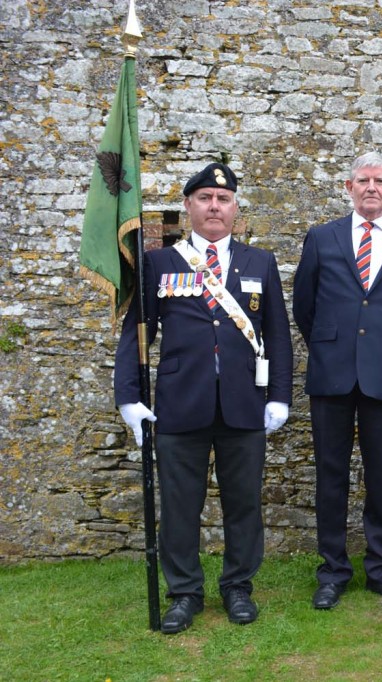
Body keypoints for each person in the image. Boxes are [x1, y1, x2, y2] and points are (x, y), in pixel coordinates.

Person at [115, 162, 293, 633]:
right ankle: (185, 593)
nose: (215, 206)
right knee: (178, 506)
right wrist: (129, 398)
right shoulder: (159, 263)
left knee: (244, 504)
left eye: (224, 199)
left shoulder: (261, 263)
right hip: (178, 404)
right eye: (205, 198)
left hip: (244, 405)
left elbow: (277, 335)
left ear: (235, 208)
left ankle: (238, 587)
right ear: (190, 206)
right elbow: (136, 334)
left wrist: (279, 397)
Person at [293, 151, 382, 608]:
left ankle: (380, 569)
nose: (371, 188)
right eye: (362, 180)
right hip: (331, 373)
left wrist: (380, 350)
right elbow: (304, 309)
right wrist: (333, 347)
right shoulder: (321, 238)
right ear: (348, 188)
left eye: (379, 181)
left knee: (381, 475)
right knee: (330, 475)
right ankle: (332, 572)